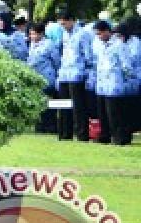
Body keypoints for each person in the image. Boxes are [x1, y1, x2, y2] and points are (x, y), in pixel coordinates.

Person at [56, 12, 95, 142]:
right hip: (64, 73)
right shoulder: (64, 34)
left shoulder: (83, 34)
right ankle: (65, 134)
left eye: (65, 23)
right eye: (61, 24)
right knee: (64, 105)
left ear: (72, 20)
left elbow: (88, 55)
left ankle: (81, 135)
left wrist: (87, 72)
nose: (63, 26)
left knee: (78, 107)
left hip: (77, 73)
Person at [93, 20, 133, 146]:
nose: (98, 37)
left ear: (107, 31)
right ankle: (105, 136)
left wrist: (124, 80)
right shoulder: (100, 45)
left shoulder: (119, 45)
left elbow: (126, 66)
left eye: (100, 34)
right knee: (103, 113)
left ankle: (119, 138)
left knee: (115, 114)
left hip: (114, 84)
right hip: (102, 84)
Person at [27, 22, 61, 134]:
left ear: (41, 34)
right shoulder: (32, 44)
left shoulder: (49, 44)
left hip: (47, 78)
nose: (32, 36)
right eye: (31, 34)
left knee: (48, 105)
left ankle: (51, 127)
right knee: (38, 104)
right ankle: (40, 126)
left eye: (34, 34)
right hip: (35, 79)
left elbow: (56, 61)